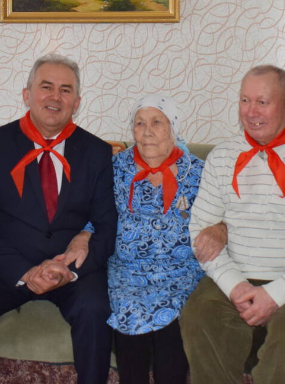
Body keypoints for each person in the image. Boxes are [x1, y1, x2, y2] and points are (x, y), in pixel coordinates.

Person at [0, 54, 117, 384]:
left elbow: (108, 226)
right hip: (10, 265)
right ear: (27, 94)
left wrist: (68, 268)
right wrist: (24, 272)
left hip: (71, 268)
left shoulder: (96, 152)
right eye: (46, 87)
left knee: (96, 310)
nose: (55, 97)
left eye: (65, 90)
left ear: (77, 102)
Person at [181, 64, 285, 384]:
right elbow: (200, 230)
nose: (251, 112)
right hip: (235, 274)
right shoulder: (223, 156)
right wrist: (235, 286)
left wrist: (276, 293)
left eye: (262, 102)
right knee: (199, 314)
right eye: (244, 100)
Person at [107, 95, 205, 384]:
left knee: (171, 331)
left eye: (157, 122)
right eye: (140, 123)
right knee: (128, 313)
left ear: (173, 127)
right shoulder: (115, 168)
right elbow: (94, 214)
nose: (147, 131)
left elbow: (219, 219)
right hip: (128, 272)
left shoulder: (198, 171)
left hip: (180, 272)